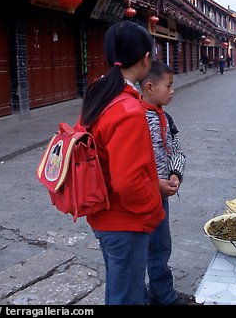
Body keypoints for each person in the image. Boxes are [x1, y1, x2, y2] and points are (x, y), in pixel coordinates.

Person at [79, 20, 164, 305]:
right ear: (146, 59)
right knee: (127, 296)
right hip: (124, 220)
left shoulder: (99, 92)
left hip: (103, 214)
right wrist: (153, 203)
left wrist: (153, 183)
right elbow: (128, 182)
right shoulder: (128, 109)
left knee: (119, 287)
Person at [140, 60, 187, 305]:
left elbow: (176, 151)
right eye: (168, 86)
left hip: (162, 198)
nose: (172, 90)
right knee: (138, 253)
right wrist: (152, 183)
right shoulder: (133, 117)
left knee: (160, 248)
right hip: (140, 198)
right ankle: (140, 298)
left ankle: (164, 295)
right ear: (149, 87)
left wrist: (175, 174)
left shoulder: (166, 118)